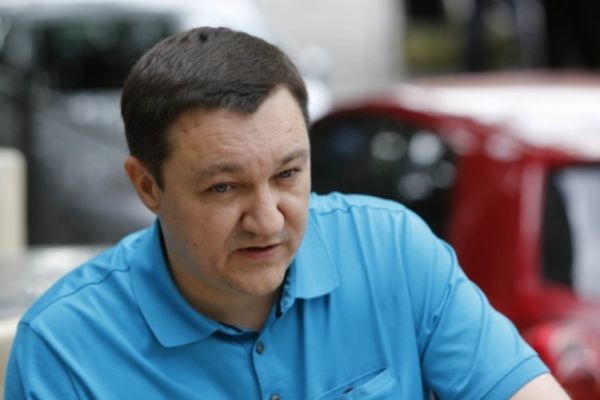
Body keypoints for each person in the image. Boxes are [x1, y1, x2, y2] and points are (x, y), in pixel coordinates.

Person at [5, 27, 568, 399]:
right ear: (148, 185)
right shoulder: (65, 349)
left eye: (287, 175)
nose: (269, 221)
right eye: (224, 188)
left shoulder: (391, 250)